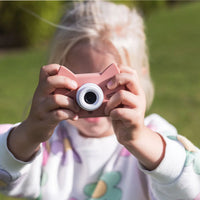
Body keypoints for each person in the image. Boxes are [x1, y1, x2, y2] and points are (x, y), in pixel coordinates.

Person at [0, 1, 200, 200]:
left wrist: (140, 140)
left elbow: (191, 187)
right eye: (78, 84)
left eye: (109, 84)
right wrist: (29, 134)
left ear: (139, 79)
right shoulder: (45, 142)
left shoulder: (153, 135)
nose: (90, 98)